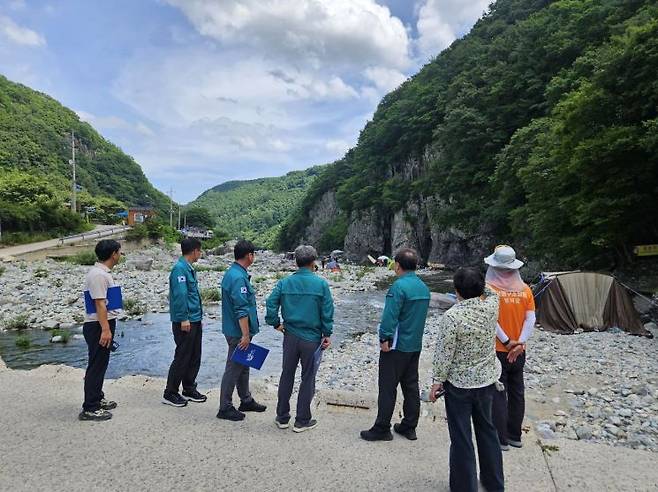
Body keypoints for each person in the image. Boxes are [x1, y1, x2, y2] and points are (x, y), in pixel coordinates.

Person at [430, 268, 504, 492]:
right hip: (487, 381)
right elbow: (494, 293)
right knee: (488, 432)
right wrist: (483, 284)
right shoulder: (491, 307)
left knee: (462, 438)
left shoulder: (452, 316)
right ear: (480, 288)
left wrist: (437, 382)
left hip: (459, 387)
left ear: (456, 291)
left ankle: (465, 487)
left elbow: (444, 354)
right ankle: (494, 484)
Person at [360, 248, 430, 441]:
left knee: (388, 387)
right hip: (414, 344)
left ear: (397, 266)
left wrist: (384, 338)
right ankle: (409, 426)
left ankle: (382, 428)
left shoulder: (398, 287)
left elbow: (390, 316)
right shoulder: (423, 288)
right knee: (411, 385)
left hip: (396, 346)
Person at [265, 245, 334, 433]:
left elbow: (271, 303)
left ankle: (282, 417)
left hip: (290, 336)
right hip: (311, 338)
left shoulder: (284, 283)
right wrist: (327, 333)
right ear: (314, 262)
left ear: (296, 262)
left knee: (286, 374)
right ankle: (302, 420)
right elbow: (327, 312)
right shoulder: (321, 284)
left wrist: (275, 323)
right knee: (308, 378)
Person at [485, 245, 536, 451]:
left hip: (498, 349)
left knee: (498, 392)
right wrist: (520, 343)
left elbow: (491, 320)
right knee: (517, 392)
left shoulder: (488, 290)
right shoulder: (525, 290)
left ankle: (501, 438)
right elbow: (530, 319)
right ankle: (515, 435)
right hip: (519, 351)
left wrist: (507, 342)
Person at [217, 240, 267, 421]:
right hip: (237, 332)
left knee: (243, 365)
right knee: (233, 367)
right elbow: (241, 309)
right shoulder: (238, 277)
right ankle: (225, 407)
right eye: (254, 254)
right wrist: (245, 335)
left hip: (236, 329)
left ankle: (246, 399)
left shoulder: (236, 273)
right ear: (249, 256)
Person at [79, 239, 122, 421]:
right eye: (119, 252)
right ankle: (90, 407)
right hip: (98, 325)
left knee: (101, 363)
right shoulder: (98, 275)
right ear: (113, 254)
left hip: (102, 323)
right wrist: (105, 329)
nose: (120, 255)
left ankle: (97, 397)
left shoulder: (103, 273)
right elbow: (99, 303)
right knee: (96, 365)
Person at [162, 238, 207, 407]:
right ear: (195, 251)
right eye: (199, 251)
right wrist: (183, 318)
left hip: (195, 318)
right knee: (182, 356)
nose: (200, 254)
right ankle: (170, 392)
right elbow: (180, 296)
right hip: (186, 320)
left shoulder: (188, 268)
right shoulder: (179, 269)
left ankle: (188, 388)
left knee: (195, 355)